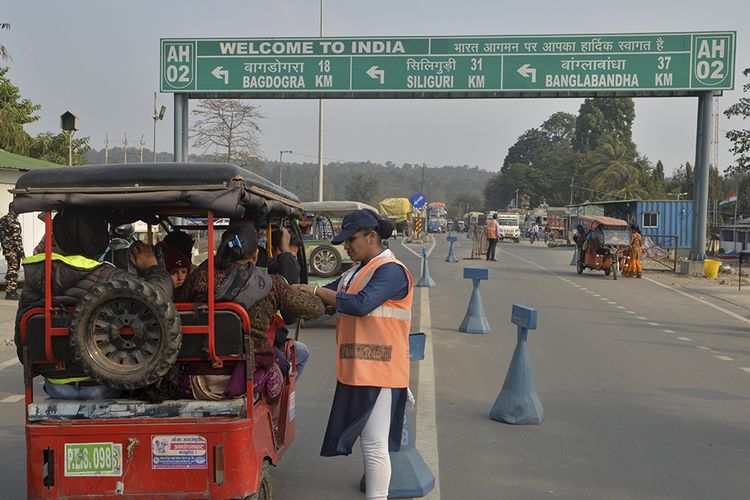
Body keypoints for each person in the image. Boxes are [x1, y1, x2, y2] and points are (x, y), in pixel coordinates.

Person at [294, 209, 413, 500]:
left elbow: (360, 304)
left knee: (374, 444)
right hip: (357, 371)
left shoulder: (391, 271)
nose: (346, 246)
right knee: (369, 443)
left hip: (381, 371)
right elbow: (329, 297)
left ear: (372, 237)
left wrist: (315, 291)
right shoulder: (354, 272)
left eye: (351, 239)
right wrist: (298, 295)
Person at [15, 207, 172, 399]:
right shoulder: (109, 276)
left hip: (56, 385)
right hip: (105, 384)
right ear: (99, 239)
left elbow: (22, 344)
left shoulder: (34, 277)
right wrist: (152, 268)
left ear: (58, 237)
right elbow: (160, 299)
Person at [179, 222, 325, 401]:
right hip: (248, 378)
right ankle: (275, 425)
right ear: (256, 254)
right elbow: (315, 308)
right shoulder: (270, 284)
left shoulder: (198, 277)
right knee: (280, 378)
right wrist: (314, 292)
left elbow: (181, 305)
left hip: (194, 379)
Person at [0, 202, 25, 300]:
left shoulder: (3, 220)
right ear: (13, 208)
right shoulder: (14, 222)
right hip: (14, 251)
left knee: (10, 269)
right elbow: (17, 240)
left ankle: (10, 291)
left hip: (6, 250)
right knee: (13, 271)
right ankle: (11, 292)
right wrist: (22, 254)